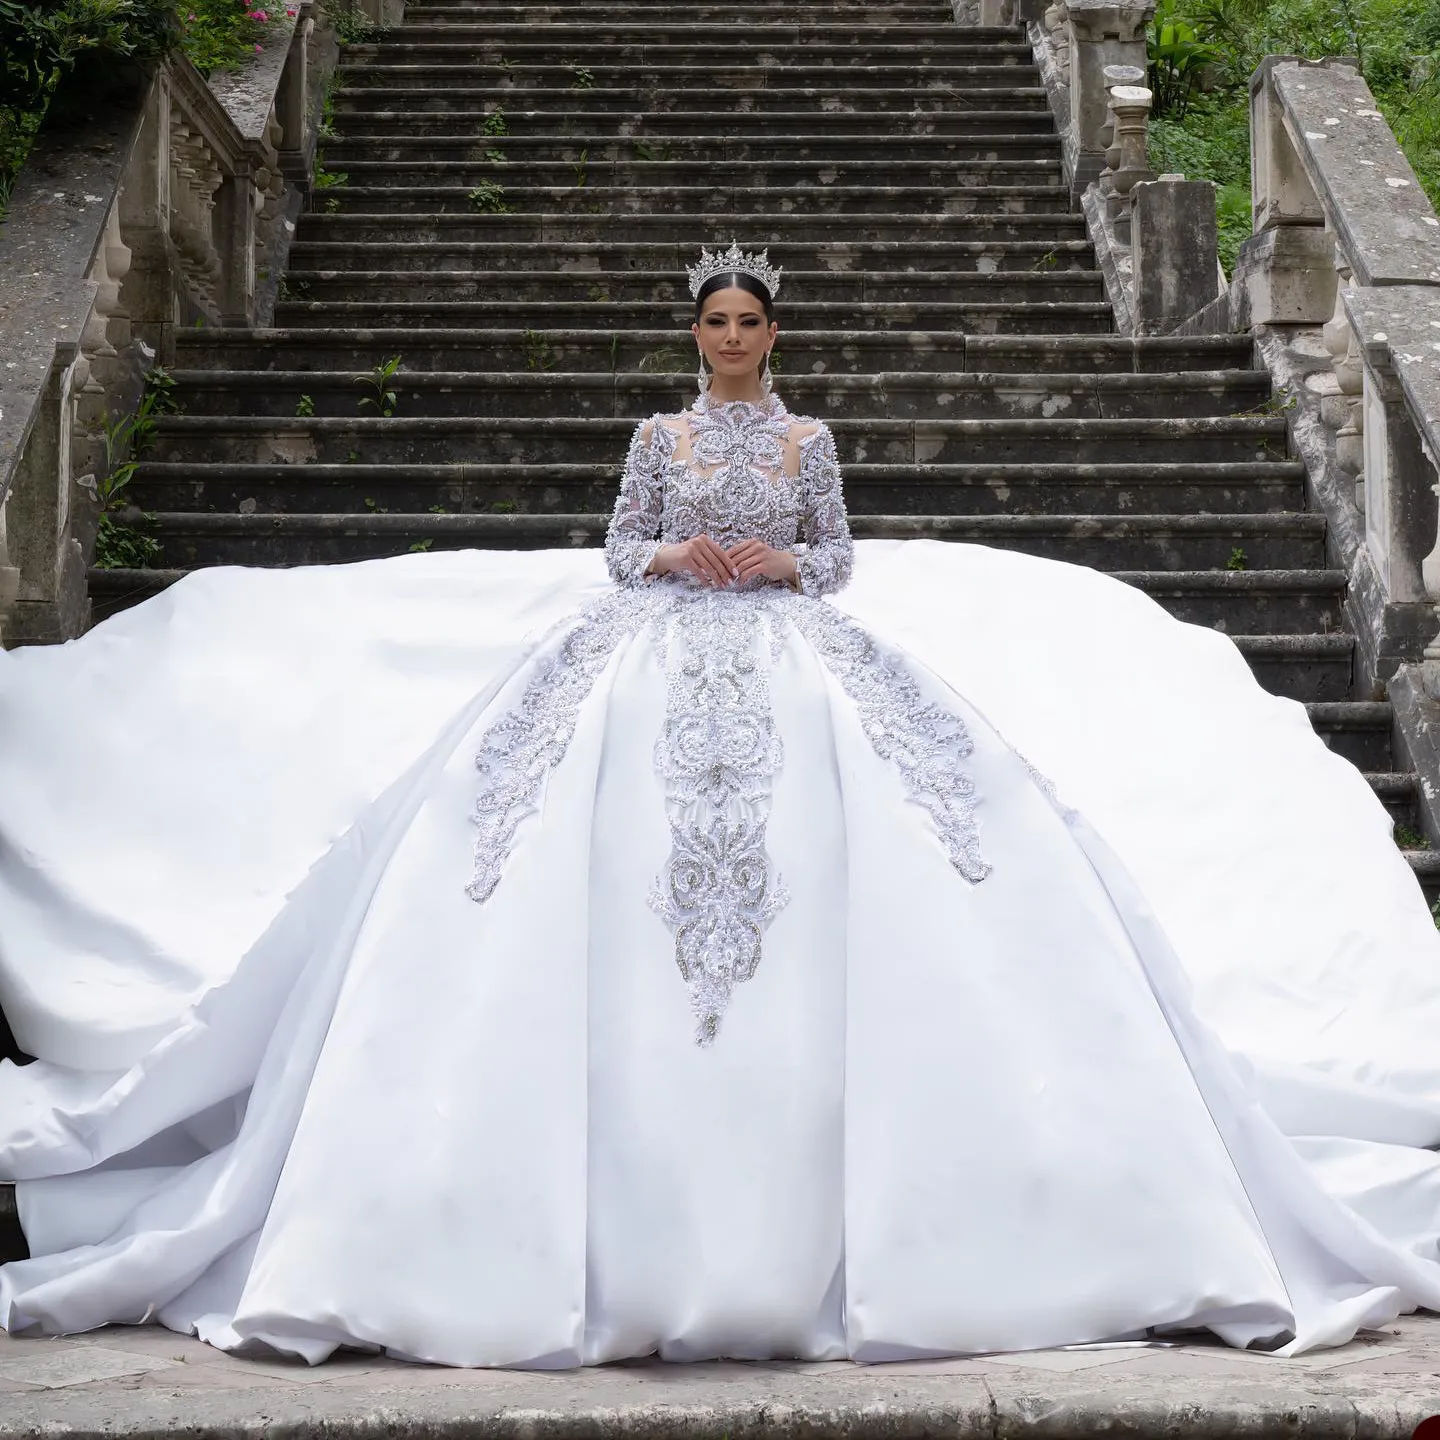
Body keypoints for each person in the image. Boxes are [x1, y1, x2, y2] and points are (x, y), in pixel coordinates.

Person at [2, 242, 1440, 1368]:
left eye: (750, 323)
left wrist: (783, 572)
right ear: (695, 333)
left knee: (915, 853)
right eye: (717, 323)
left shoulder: (808, 443)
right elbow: (620, 546)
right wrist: (677, 549)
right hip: (657, 653)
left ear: (774, 335)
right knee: (529, 858)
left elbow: (841, 555)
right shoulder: (659, 434)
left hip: (792, 656)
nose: (733, 340)